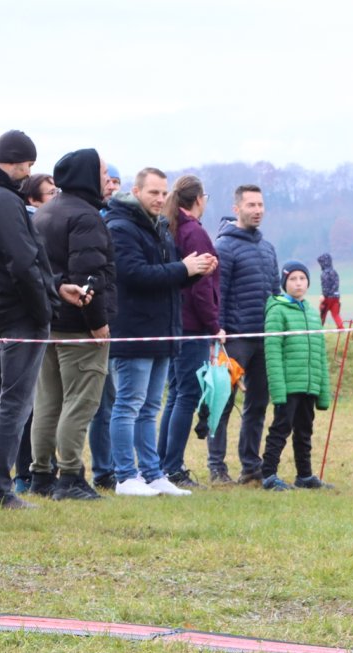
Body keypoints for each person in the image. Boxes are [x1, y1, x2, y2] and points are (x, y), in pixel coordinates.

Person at [0, 130, 87, 509]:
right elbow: (22, 260)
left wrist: (55, 286)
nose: (29, 172)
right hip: (19, 314)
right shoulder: (2, 199)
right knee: (14, 403)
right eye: (28, 164)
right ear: (15, 161)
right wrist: (43, 308)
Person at [105, 167, 215, 497]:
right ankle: (126, 475)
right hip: (133, 331)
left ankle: (153, 474)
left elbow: (167, 278)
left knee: (150, 407)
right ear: (136, 191)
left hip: (162, 332)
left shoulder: (161, 227)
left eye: (164, 193)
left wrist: (195, 272)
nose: (160, 198)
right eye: (153, 192)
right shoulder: (120, 228)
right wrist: (184, 268)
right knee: (128, 405)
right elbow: (134, 274)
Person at [29, 148, 116, 502]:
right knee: (80, 402)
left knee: (48, 401)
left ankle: (40, 475)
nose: (108, 180)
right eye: (104, 173)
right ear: (87, 175)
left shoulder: (45, 211)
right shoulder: (87, 218)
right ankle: (69, 477)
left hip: (49, 323)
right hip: (80, 327)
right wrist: (97, 322)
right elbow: (88, 276)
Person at [210, 184, 278, 484]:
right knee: (222, 403)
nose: (257, 210)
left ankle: (251, 466)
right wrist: (218, 330)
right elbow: (218, 293)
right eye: (251, 205)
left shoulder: (268, 248)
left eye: (260, 205)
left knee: (258, 404)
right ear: (236, 209)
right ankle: (217, 467)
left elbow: (275, 293)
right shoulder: (224, 247)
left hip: (264, 339)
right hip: (234, 339)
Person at [160, 175, 222, 487]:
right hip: (193, 325)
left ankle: (162, 463)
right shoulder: (194, 233)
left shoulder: (174, 227)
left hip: (176, 323)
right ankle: (172, 466)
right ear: (199, 199)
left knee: (176, 394)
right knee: (187, 395)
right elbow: (200, 288)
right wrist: (214, 325)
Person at [261, 261, 335, 489]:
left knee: (305, 431)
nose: (298, 283)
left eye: (302, 278)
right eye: (293, 279)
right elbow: (273, 352)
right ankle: (268, 474)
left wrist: (322, 389)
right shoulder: (277, 311)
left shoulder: (312, 313)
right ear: (284, 283)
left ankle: (304, 475)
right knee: (281, 428)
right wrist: (278, 389)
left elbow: (320, 353)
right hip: (288, 384)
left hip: (309, 383)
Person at [317, 252, 342, 329]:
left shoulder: (324, 273)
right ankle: (341, 328)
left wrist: (323, 295)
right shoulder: (334, 272)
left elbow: (325, 286)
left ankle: (319, 329)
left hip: (327, 298)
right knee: (336, 314)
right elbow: (336, 284)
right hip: (336, 297)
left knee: (323, 314)